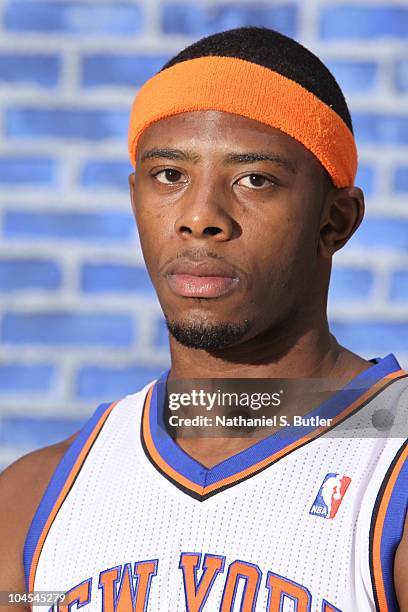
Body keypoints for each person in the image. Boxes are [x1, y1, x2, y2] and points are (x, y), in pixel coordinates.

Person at [0, 26, 407, 611]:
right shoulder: (38, 496)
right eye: (170, 175)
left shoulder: (392, 461)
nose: (200, 217)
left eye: (254, 180)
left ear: (335, 220)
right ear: (135, 196)